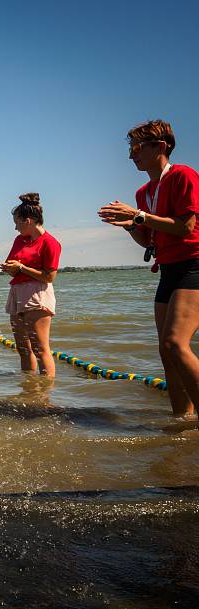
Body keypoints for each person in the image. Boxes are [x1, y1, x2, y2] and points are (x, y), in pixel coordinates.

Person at [98, 119, 199, 418]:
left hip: (194, 265)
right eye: (131, 149)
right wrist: (130, 225)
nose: (132, 155)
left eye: (137, 148)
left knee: (175, 343)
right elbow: (148, 241)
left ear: (161, 147)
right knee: (166, 352)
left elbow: (186, 227)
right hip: (168, 270)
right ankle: (182, 421)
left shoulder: (184, 176)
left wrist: (139, 215)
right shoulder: (144, 192)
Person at [0, 193, 61, 376]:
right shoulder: (20, 240)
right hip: (17, 293)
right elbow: (14, 266)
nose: (15, 227)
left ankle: (45, 397)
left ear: (28, 221)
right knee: (23, 348)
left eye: (17, 222)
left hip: (37, 295)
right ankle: (29, 390)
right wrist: (11, 268)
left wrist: (22, 268)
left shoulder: (50, 243)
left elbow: (49, 277)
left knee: (41, 349)